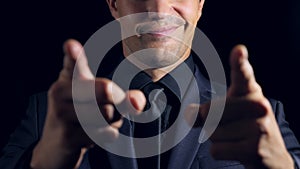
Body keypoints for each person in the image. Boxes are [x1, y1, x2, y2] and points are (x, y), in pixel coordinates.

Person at [1, 0, 300, 169]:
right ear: (114, 5)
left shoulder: (261, 115)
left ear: (200, 5)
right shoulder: (49, 112)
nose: (158, 7)